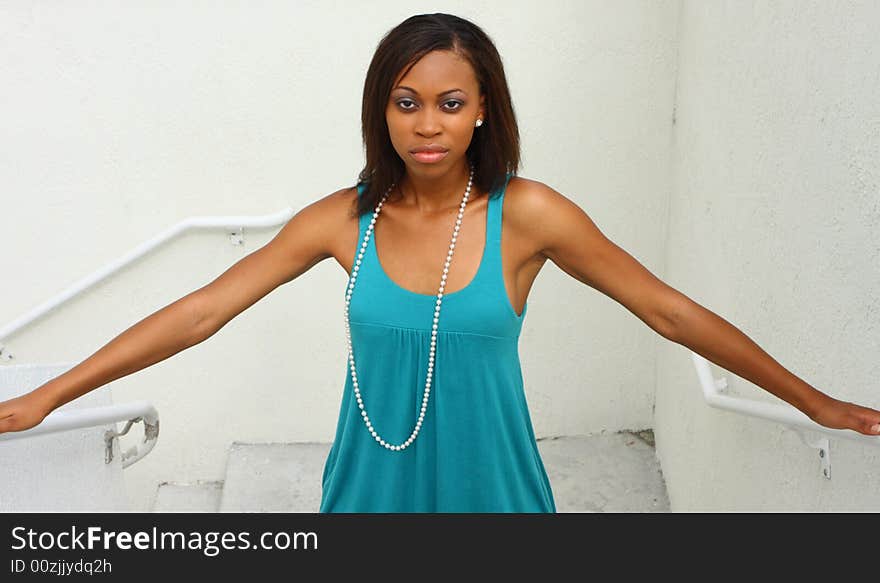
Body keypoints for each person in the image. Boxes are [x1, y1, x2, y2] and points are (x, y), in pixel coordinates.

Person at [1, 13, 879, 512]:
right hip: (368, 497)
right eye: (407, 102)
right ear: (381, 113)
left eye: (450, 103)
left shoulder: (529, 215)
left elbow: (670, 313)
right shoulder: (342, 221)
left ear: (482, 109)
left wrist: (816, 402)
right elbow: (199, 312)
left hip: (495, 496)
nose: (428, 125)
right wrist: (47, 396)